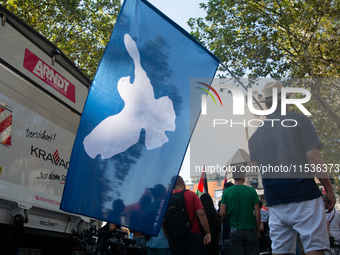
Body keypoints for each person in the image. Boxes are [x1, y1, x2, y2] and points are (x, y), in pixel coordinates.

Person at [248, 80, 336, 255]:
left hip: (275, 202)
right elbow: (313, 156)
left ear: (266, 104)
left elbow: (257, 170)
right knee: (314, 249)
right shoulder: (299, 120)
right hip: (304, 197)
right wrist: (329, 189)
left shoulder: (255, 136)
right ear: (286, 100)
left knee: (281, 252)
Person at [164, 175, 211, 255]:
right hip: (192, 235)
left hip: (174, 238)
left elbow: (163, 221)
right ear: (183, 182)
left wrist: (170, 237)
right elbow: (201, 214)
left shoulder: (166, 199)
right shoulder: (191, 195)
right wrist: (207, 233)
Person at [220, 170, 261, 255]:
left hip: (235, 230)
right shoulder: (252, 191)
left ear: (234, 177)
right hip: (251, 229)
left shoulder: (226, 192)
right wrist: (257, 230)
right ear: (243, 177)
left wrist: (231, 211)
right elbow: (257, 212)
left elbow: (222, 212)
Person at [220, 182, 234, 255]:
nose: (222, 192)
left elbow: (222, 213)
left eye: (224, 190)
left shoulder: (229, 202)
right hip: (227, 237)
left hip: (230, 236)